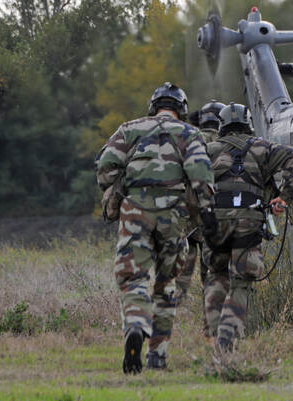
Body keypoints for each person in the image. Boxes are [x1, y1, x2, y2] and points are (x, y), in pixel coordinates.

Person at [96, 82, 214, 374]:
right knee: (166, 285)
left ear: (153, 106)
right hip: (173, 215)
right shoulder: (190, 134)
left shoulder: (129, 128)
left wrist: (121, 188)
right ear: (181, 110)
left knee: (133, 278)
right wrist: (207, 211)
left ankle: (136, 326)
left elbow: (105, 168)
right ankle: (157, 357)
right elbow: (201, 173)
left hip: (134, 211)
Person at [202, 102, 293, 351]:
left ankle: (215, 336)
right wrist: (284, 198)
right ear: (248, 123)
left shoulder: (208, 149)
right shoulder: (263, 147)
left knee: (215, 275)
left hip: (215, 221)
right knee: (241, 281)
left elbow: (187, 175)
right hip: (249, 221)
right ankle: (229, 334)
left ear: (222, 126)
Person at [175, 101, 225, 331]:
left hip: (188, 216)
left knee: (179, 275)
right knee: (212, 277)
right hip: (215, 217)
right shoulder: (225, 143)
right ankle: (210, 325)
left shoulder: (190, 139)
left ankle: (168, 320)